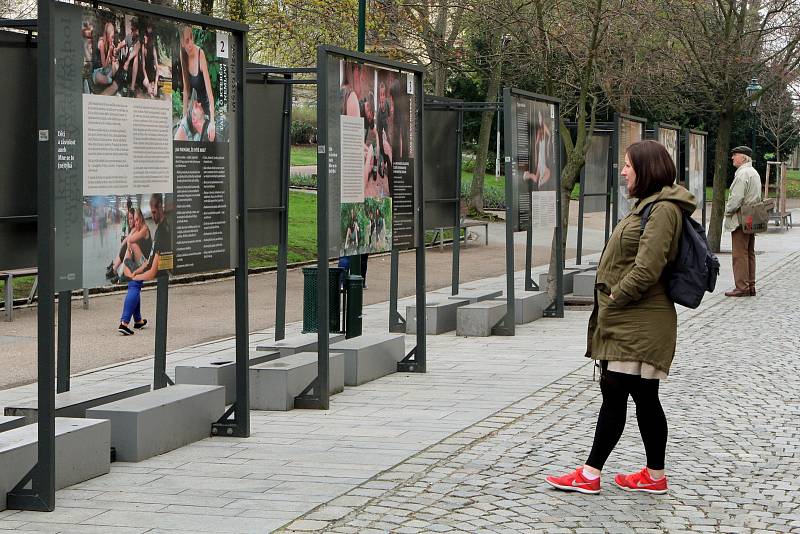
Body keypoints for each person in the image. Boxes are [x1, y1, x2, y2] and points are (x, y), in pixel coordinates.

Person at [545, 140, 697, 495]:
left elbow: (647, 267)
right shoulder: (648, 206)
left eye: (628, 165)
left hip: (639, 320)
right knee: (641, 397)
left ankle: (590, 473)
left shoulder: (662, 210)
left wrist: (616, 296)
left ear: (646, 169)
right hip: (631, 319)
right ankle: (653, 476)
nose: (623, 171)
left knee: (616, 393)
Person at [724, 146, 762, 297]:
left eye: (735, 155)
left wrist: (727, 211)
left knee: (739, 254)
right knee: (749, 252)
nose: (732, 157)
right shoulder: (753, 172)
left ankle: (741, 287)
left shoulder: (742, 174)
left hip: (740, 217)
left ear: (744, 158)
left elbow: (736, 199)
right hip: (751, 216)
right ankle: (750, 284)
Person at [175, 26, 216, 141]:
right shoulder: (182, 55)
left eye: (191, 38)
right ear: (182, 43)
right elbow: (186, 90)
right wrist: (184, 117)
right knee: (178, 137)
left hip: (206, 110)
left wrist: (212, 121)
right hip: (196, 110)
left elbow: (210, 93)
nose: (191, 43)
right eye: (187, 40)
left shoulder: (200, 54)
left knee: (202, 139)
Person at [117, 208, 153, 335]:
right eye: (133, 220)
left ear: (142, 219)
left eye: (137, 219)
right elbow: (128, 242)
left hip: (145, 263)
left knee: (134, 286)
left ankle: (135, 320)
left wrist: (127, 252)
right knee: (134, 286)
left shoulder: (144, 229)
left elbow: (130, 241)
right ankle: (126, 322)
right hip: (139, 263)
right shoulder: (136, 230)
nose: (135, 222)